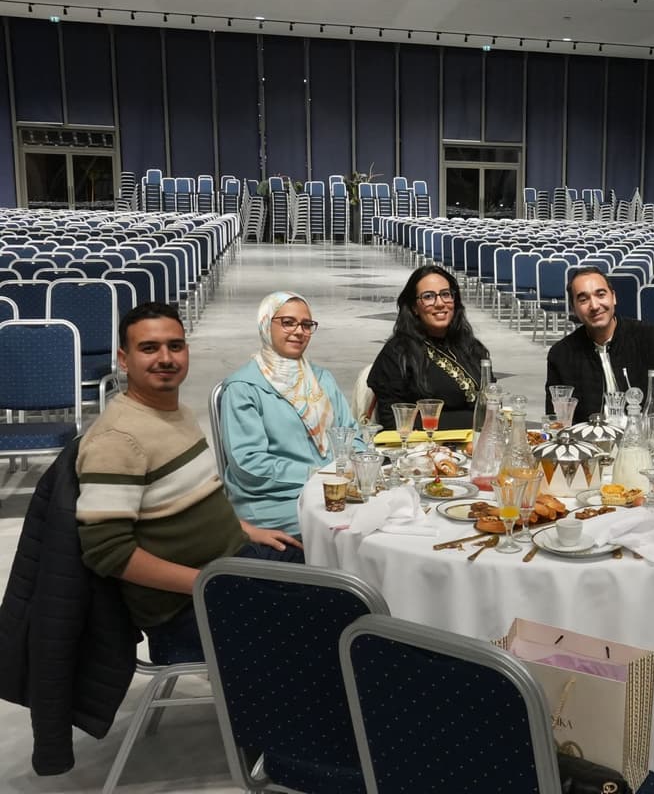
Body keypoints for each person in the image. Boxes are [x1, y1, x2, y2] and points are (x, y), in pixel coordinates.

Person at [77, 302, 303, 665]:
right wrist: (206, 584)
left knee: (337, 569)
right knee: (334, 623)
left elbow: (194, 498)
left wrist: (246, 529)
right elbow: (108, 553)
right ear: (124, 359)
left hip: (230, 564)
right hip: (184, 608)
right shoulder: (117, 439)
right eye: (149, 348)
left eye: (175, 346)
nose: (165, 358)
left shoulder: (173, 412)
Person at [220, 291, 360, 536]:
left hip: (335, 489)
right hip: (275, 502)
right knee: (349, 531)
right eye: (287, 322)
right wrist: (318, 474)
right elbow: (248, 464)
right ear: (265, 323)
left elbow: (352, 433)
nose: (299, 331)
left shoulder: (321, 379)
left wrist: (354, 465)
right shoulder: (244, 387)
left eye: (306, 325)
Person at [546, 266, 654, 439]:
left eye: (601, 295)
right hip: (591, 451)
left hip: (645, 445)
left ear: (613, 297)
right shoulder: (562, 354)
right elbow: (555, 421)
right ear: (573, 308)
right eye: (583, 299)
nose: (594, 306)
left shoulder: (650, 338)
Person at [369, 265, 489, 430]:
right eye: (428, 296)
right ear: (414, 307)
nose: (440, 303)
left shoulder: (472, 347)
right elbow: (394, 422)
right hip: (419, 450)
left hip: (476, 446)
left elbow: (492, 402)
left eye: (446, 294)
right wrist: (476, 421)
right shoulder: (398, 353)